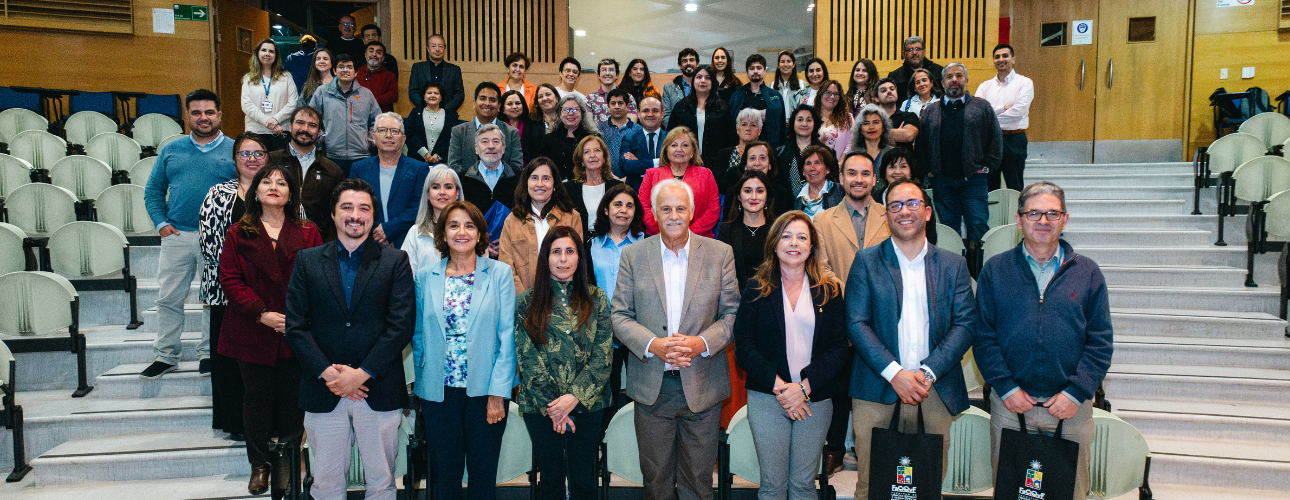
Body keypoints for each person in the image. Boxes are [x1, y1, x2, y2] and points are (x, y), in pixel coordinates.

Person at [974, 182, 1112, 500]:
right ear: (1019, 220)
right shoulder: (995, 271)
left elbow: (1100, 341)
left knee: (1070, 493)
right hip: (1011, 407)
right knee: (1010, 492)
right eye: (1034, 212)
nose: (1043, 220)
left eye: (1052, 213)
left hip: (1070, 408)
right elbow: (983, 337)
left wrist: (1076, 393)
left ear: (1065, 219)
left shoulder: (1088, 273)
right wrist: (1006, 388)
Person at [285, 178, 415, 500]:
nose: (355, 215)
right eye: (347, 207)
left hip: (378, 388)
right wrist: (331, 374)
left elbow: (401, 326)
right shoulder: (307, 261)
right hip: (323, 389)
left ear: (373, 216)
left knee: (382, 483)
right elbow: (296, 327)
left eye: (364, 208)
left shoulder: (395, 261)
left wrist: (360, 374)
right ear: (332, 214)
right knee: (326, 485)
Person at [610, 178, 739, 500]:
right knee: (656, 483)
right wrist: (654, 345)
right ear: (653, 212)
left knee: (698, 482)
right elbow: (619, 316)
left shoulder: (720, 253)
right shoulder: (633, 256)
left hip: (703, 387)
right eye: (666, 208)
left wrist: (701, 343)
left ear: (692, 211)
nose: (673, 215)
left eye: (680, 208)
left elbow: (732, 315)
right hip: (653, 389)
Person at [846, 180, 975, 500]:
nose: (904, 211)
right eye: (896, 205)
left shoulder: (954, 264)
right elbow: (856, 323)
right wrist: (895, 372)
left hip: (934, 389)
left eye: (913, 204)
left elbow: (965, 325)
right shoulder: (866, 261)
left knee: (927, 486)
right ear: (886, 215)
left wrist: (927, 372)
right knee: (871, 486)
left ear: (928, 212)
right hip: (876, 389)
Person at [217, 164, 322, 495]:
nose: (274, 186)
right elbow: (230, 280)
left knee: (294, 400)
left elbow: (319, 281)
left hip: (295, 329)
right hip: (252, 327)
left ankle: (290, 462)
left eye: (282, 182)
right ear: (255, 191)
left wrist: (294, 317)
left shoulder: (308, 231)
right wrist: (261, 313)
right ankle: (259, 464)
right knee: (256, 397)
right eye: (267, 181)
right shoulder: (238, 232)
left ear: (292, 193)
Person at [734, 211, 850, 500]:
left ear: (811, 246)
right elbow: (744, 346)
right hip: (767, 397)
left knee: (803, 485)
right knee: (773, 486)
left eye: (801, 237)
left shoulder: (830, 290)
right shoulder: (755, 289)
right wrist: (783, 390)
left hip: (815, 398)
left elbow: (839, 348)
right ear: (774, 244)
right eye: (786, 236)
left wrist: (803, 389)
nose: (793, 243)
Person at [411, 200, 517, 500]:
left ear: (480, 234)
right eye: (453, 225)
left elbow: (507, 337)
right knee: (445, 477)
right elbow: (418, 334)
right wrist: (423, 384)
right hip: (438, 393)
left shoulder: (499, 274)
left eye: (470, 225)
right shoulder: (424, 276)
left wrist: (499, 393)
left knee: (483, 478)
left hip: (486, 394)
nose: (462, 232)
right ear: (443, 234)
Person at [141, 89, 236, 380]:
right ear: (187, 116)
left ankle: (208, 353)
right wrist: (160, 224)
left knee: (214, 299)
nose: (203, 118)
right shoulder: (172, 149)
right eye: (196, 112)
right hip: (178, 235)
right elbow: (154, 190)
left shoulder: (235, 149)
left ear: (219, 115)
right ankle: (166, 355)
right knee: (169, 297)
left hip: (219, 238)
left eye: (209, 112)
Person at [515, 226, 613, 500]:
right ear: (545, 258)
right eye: (556, 252)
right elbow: (527, 359)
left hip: (588, 405)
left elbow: (603, 357)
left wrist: (573, 399)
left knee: (584, 481)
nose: (563, 259)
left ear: (580, 258)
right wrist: (556, 408)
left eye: (570, 252)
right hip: (541, 407)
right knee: (550, 481)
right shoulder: (527, 302)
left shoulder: (597, 299)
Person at [811, 151, 890, 476]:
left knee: (877, 389)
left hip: (884, 322)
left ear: (874, 179)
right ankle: (835, 451)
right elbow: (822, 270)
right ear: (840, 179)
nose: (858, 179)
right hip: (839, 321)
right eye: (852, 173)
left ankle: (871, 451)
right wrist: (857, 301)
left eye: (865, 173)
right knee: (838, 390)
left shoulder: (892, 215)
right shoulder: (823, 220)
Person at [198, 133, 265, 442]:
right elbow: (210, 243)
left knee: (263, 362)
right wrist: (241, 280)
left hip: (268, 296)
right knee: (229, 362)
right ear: (235, 159)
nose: (251, 159)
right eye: (244, 153)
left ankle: (268, 423)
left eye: (258, 153)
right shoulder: (218, 193)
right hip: (226, 293)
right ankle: (235, 424)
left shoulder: (278, 190)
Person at [918, 62, 1002, 249]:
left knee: (978, 227)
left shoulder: (982, 107)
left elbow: (996, 139)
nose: (954, 80)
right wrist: (929, 171)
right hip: (942, 181)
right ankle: (952, 274)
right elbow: (922, 145)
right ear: (941, 82)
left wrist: (987, 166)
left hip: (974, 180)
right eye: (949, 77)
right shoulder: (931, 111)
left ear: (966, 80)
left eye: (958, 76)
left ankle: (977, 274)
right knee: (948, 230)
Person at [586, 184, 646, 415]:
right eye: (618, 204)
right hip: (603, 330)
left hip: (637, 327)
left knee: (639, 392)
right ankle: (605, 444)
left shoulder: (645, 243)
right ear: (606, 210)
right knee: (606, 391)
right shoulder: (592, 245)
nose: (623, 210)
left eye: (629, 205)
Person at [499, 157, 584, 294]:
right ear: (526, 183)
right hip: (523, 300)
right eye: (534, 178)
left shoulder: (572, 217)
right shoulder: (512, 221)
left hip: (564, 299)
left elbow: (577, 261)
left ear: (555, 184)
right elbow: (505, 266)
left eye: (546, 178)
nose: (540, 184)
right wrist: (524, 300)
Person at [349, 112, 432, 249]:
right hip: (368, 240)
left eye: (394, 131)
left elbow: (420, 206)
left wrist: (389, 231)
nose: (388, 135)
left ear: (403, 139)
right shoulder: (359, 168)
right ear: (374, 137)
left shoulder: (419, 169)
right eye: (382, 130)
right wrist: (377, 232)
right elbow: (354, 205)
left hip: (406, 242)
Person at [267, 106, 346, 241]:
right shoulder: (271, 161)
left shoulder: (332, 171)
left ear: (319, 132)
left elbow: (337, 213)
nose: (305, 129)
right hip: (274, 239)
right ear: (290, 127)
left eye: (312, 125)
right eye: (300, 123)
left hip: (317, 244)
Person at [638, 127, 721, 237]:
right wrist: (666, 230)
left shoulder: (706, 174)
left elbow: (713, 210)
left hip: (698, 238)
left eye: (685, 145)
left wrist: (689, 233)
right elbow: (643, 207)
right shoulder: (651, 174)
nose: (679, 149)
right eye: (674, 145)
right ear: (666, 150)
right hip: (658, 236)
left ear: (692, 152)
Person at [309, 54, 381, 177]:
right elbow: (311, 119)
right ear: (334, 71)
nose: (345, 70)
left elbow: (378, 120)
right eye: (341, 67)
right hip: (332, 155)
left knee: (359, 192)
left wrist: (370, 140)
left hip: (361, 155)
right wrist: (322, 139)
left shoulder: (366, 94)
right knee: (334, 194)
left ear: (356, 72)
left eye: (349, 67)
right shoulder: (322, 92)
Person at [975, 43, 1034, 192]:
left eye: (1005, 56)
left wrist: (991, 117)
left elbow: (1018, 112)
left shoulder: (1024, 83)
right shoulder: (984, 86)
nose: (1001, 59)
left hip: (1014, 139)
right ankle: (992, 216)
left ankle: (1015, 215)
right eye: (997, 57)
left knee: (1015, 186)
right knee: (990, 187)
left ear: (1013, 59)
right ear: (993, 61)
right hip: (990, 141)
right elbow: (978, 113)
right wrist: (1003, 108)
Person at [668, 65, 737, 168]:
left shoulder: (723, 108)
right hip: (686, 162)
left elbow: (731, 139)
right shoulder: (681, 107)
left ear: (713, 82)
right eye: (699, 77)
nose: (703, 81)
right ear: (693, 81)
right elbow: (671, 135)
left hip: (716, 164)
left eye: (708, 77)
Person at [446, 82, 523, 174]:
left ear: (499, 106)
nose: (487, 103)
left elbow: (516, 167)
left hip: (502, 186)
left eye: (492, 100)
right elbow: (454, 166)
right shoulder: (459, 132)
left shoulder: (511, 133)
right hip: (468, 186)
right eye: (483, 98)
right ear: (474, 103)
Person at [401, 166, 465, 273]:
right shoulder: (415, 233)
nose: (442, 192)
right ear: (427, 194)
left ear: (457, 193)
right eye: (435, 187)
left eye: (448, 187)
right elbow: (406, 276)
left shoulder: (470, 231)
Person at [718, 170, 775, 289]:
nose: (753, 197)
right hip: (736, 298)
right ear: (739, 196)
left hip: (772, 296)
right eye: (747, 191)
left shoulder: (778, 230)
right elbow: (721, 272)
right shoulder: (726, 230)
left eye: (759, 191)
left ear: (767, 196)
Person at [241, 39, 298, 151]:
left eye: (271, 51)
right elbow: (246, 105)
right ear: (258, 53)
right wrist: (267, 121)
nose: (267, 54)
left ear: (276, 55)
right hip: (255, 131)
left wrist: (276, 120)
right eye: (264, 50)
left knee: (278, 167)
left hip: (281, 131)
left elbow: (293, 102)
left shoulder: (286, 77)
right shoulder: (249, 78)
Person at [566, 135, 623, 232]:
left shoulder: (617, 187)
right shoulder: (568, 189)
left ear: (604, 158)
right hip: (578, 242)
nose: (592, 155)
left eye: (597, 150)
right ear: (581, 161)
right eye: (586, 152)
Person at [729, 54, 786, 150]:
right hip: (742, 149)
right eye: (752, 68)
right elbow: (732, 119)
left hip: (768, 148)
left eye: (759, 68)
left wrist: (745, 115)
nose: (755, 71)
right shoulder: (737, 95)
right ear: (747, 72)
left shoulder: (775, 96)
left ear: (765, 71)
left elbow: (779, 118)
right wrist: (763, 114)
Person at [538, 93, 599, 181]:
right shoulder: (549, 139)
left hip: (587, 184)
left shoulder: (593, 138)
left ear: (582, 113)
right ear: (559, 114)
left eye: (575, 109)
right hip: (558, 187)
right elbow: (542, 166)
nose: (570, 113)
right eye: (566, 110)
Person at [726, 141, 794, 217]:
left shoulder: (783, 195)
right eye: (752, 158)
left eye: (762, 158)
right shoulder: (733, 193)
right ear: (745, 165)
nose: (757, 163)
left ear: (769, 165)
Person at [406, 82, 461, 166]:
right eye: (429, 93)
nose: (432, 95)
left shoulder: (451, 116)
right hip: (416, 161)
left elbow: (452, 138)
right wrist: (423, 152)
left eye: (436, 93)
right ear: (424, 96)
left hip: (442, 163)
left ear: (441, 97)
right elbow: (409, 133)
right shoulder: (415, 113)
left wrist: (439, 155)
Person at [618, 96, 666, 190]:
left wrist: (638, 162)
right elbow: (626, 166)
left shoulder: (671, 139)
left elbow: (674, 165)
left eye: (655, 110)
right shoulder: (629, 138)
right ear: (638, 114)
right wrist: (659, 162)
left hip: (665, 192)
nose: (650, 114)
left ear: (662, 114)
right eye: (646, 110)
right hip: (636, 193)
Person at [409, 34, 466, 113]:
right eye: (433, 46)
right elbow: (413, 92)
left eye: (440, 46)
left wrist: (446, 109)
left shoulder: (454, 69)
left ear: (444, 49)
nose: (437, 49)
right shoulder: (418, 68)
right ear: (428, 49)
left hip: (448, 113)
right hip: (422, 112)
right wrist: (425, 106)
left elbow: (459, 94)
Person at [713, 108, 764, 192]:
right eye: (744, 124)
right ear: (737, 129)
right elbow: (718, 184)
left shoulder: (765, 154)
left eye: (753, 125)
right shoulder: (724, 153)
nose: (748, 128)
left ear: (759, 131)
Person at [887, 35, 945, 104]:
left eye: (918, 49)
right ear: (904, 54)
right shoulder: (895, 76)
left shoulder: (939, 72)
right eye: (910, 50)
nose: (914, 52)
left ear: (923, 52)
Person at [597, 89, 642, 176]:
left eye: (620, 103)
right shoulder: (599, 129)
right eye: (613, 103)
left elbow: (642, 158)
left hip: (632, 178)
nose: (617, 106)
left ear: (628, 106)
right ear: (608, 106)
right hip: (607, 178)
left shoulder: (638, 130)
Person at [795, 145, 843, 218]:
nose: (812, 168)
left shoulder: (840, 192)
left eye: (817, 163)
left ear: (827, 169)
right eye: (808, 163)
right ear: (803, 171)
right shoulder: (795, 197)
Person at [587, 58, 638, 124]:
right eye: (603, 70)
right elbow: (589, 127)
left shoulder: (628, 98)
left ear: (617, 75)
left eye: (611, 70)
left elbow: (631, 126)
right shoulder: (590, 99)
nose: (607, 73)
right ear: (598, 76)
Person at [500, 90, 545, 164]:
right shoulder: (497, 126)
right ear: (503, 108)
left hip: (529, 167)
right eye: (509, 104)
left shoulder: (533, 124)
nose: (514, 107)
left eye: (518, 103)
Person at [874, 78, 920, 149]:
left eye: (892, 89)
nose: (889, 91)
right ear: (876, 98)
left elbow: (908, 135)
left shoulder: (909, 116)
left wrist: (875, 133)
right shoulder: (873, 119)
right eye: (883, 90)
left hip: (903, 159)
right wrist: (896, 134)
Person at [813, 80, 852, 160]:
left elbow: (851, 144)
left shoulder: (847, 118)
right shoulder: (810, 115)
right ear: (820, 94)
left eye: (836, 94)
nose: (832, 96)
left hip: (837, 166)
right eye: (828, 92)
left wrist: (840, 163)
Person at [661, 48, 700, 125]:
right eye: (685, 61)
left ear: (697, 64)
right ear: (680, 66)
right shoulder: (668, 88)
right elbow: (665, 116)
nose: (688, 63)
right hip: (677, 133)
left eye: (691, 60)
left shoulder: (704, 87)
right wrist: (679, 132)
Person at [356, 41, 398, 112]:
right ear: (365, 55)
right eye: (371, 51)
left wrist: (373, 100)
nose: (374, 54)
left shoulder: (390, 76)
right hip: (358, 114)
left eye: (378, 52)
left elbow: (393, 96)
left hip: (381, 115)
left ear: (383, 58)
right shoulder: (356, 73)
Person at [772, 51, 806, 120]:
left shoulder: (802, 85)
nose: (785, 64)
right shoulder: (771, 86)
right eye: (782, 61)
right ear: (778, 65)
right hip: (777, 125)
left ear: (793, 64)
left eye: (789, 61)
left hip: (795, 126)